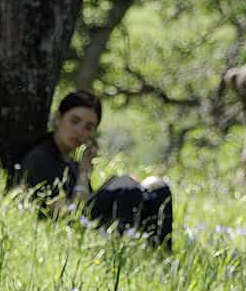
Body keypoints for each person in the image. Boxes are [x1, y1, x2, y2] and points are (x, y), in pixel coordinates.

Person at [16, 89, 173, 249]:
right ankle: (118, 249)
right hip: (65, 232)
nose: (80, 131)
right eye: (74, 121)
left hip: (84, 221)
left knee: (158, 187)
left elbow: (87, 202)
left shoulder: (72, 163)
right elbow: (65, 213)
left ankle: (160, 254)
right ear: (58, 118)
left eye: (88, 127)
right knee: (125, 185)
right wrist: (86, 174)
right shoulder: (42, 159)